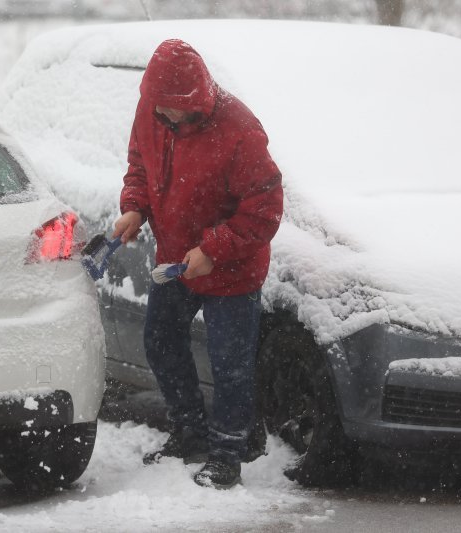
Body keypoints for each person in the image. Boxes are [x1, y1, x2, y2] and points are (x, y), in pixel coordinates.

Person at [113, 39, 283, 489]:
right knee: (160, 341)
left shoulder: (240, 131)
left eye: (172, 109)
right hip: (174, 260)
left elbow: (264, 209)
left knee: (230, 364)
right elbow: (140, 166)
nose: (164, 117)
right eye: (158, 107)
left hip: (231, 267)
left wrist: (213, 250)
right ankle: (189, 433)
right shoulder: (150, 112)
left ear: (194, 101)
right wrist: (134, 206)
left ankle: (228, 452)